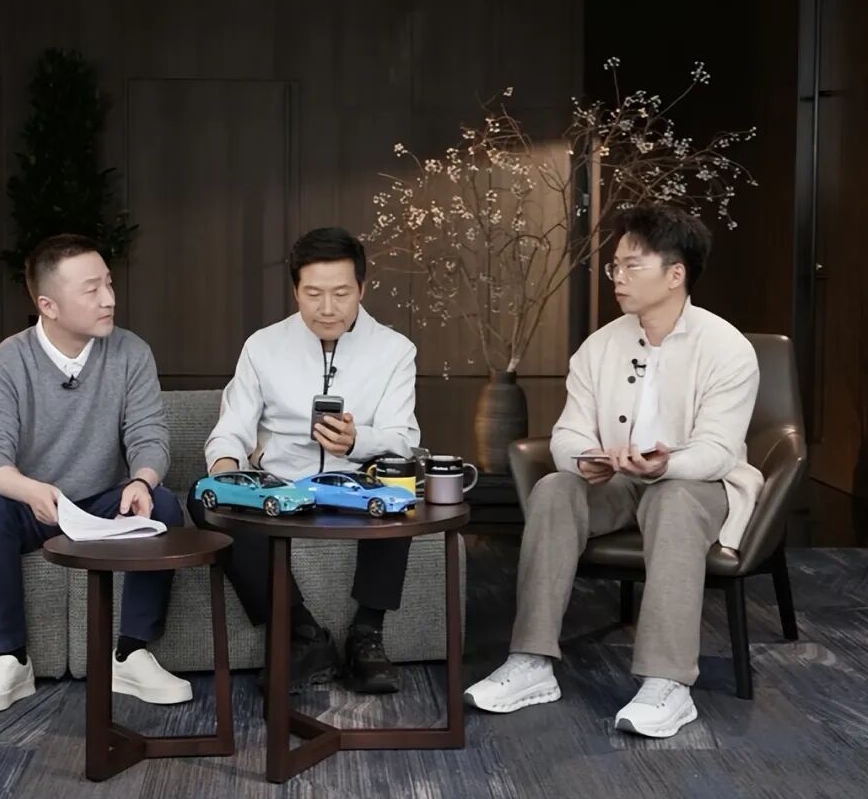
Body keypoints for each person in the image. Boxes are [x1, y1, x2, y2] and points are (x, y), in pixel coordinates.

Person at [465, 205, 763, 738]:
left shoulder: (728, 349)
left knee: (672, 499)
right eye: (614, 266)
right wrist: (584, 458)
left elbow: (719, 450)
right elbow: (568, 432)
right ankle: (531, 662)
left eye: (631, 266)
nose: (617, 278)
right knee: (555, 488)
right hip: (619, 480)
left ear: (675, 274)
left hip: (699, 486)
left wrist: (667, 464)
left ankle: (667, 684)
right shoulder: (600, 346)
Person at [0, 234, 190, 713]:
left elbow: (149, 437)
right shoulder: (6, 362)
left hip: (106, 501)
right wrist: (28, 489)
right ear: (48, 305)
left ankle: (131, 654)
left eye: (109, 284)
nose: (109, 299)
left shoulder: (131, 353)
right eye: (92, 290)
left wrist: (142, 481)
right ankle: (10, 659)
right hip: (32, 504)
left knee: (165, 505)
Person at [188, 227, 420, 694]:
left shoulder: (395, 351)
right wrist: (227, 473)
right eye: (313, 294)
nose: (327, 308)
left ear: (362, 288)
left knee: (400, 487)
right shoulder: (262, 346)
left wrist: (357, 441)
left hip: (356, 482)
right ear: (295, 291)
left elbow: (403, 439)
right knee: (202, 497)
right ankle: (302, 633)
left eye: (341, 293)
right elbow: (231, 429)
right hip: (280, 485)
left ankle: (366, 634)